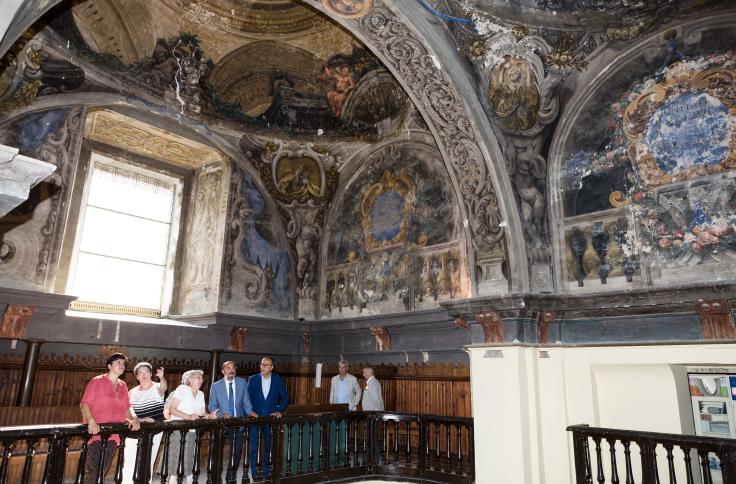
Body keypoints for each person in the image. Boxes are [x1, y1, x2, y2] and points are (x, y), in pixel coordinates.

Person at [80, 353, 140, 484]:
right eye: (118, 362)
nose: (122, 366)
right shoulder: (97, 381)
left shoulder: (123, 385)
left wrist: (134, 418)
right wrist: (91, 420)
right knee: (94, 470)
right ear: (109, 366)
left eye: (124, 364)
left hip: (113, 434)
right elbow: (85, 404)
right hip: (96, 432)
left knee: (102, 470)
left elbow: (127, 406)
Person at [164, 369, 216, 483]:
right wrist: (188, 417)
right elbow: (172, 409)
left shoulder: (201, 394)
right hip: (178, 429)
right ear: (190, 379)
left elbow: (202, 413)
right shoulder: (182, 389)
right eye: (198, 378)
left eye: (202, 378)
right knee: (175, 458)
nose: (201, 380)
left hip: (192, 431)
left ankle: (190, 480)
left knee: (189, 458)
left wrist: (209, 416)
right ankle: (171, 480)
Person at [122, 363, 167, 484]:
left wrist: (162, 377)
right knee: (129, 462)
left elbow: (164, 388)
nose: (144, 374)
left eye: (146, 371)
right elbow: (126, 412)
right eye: (140, 372)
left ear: (151, 374)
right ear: (137, 376)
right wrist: (141, 420)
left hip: (154, 431)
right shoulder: (132, 392)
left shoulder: (157, 387)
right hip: (134, 430)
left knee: (148, 461)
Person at [208, 361, 253, 480]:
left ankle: (231, 477)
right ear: (223, 371)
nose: (231, 370)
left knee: (237, 451)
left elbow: (246, 402)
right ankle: (216, 477)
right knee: (217, 452)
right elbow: (211, 406)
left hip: (237, 423)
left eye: (233, 367)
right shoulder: (216, 386)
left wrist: (250, 412)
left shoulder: (242, 383)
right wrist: (221, 414)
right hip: (220, 423)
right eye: (228, 368)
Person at [247, 356, 289, 479]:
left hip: (270, 418)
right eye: (262, 364)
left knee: (267, 447)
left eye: (267, 365)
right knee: (253, 447)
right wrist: (250, 411)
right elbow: (247, 398)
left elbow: (285, 397)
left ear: (272, 367)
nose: (263, 367)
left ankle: (265, 473)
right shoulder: (253, 379)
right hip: (255, 418)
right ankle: (254, 473)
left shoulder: (277, 379)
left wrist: (279, 411)